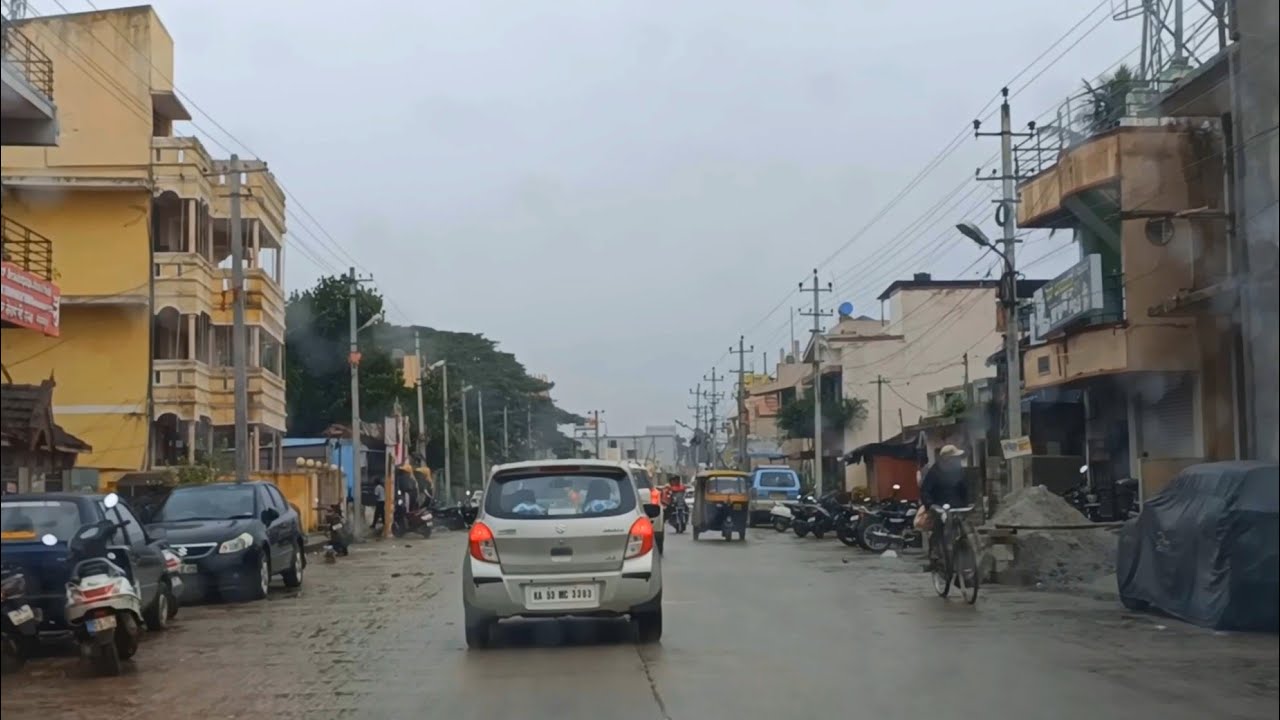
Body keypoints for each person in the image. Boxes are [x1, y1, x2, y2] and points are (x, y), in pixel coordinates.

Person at [919, 444, 970, 570]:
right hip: (939, 507)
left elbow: (964, 489)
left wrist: (967, 503)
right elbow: (925, 491)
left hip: (957, 506)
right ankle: (935, 556)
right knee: (939, 529)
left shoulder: (959, 471)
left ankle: (965, 555)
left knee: (964, 530)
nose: (957, 460)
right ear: (947, 459)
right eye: (954, 457)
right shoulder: (935, 472)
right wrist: (930, 505)